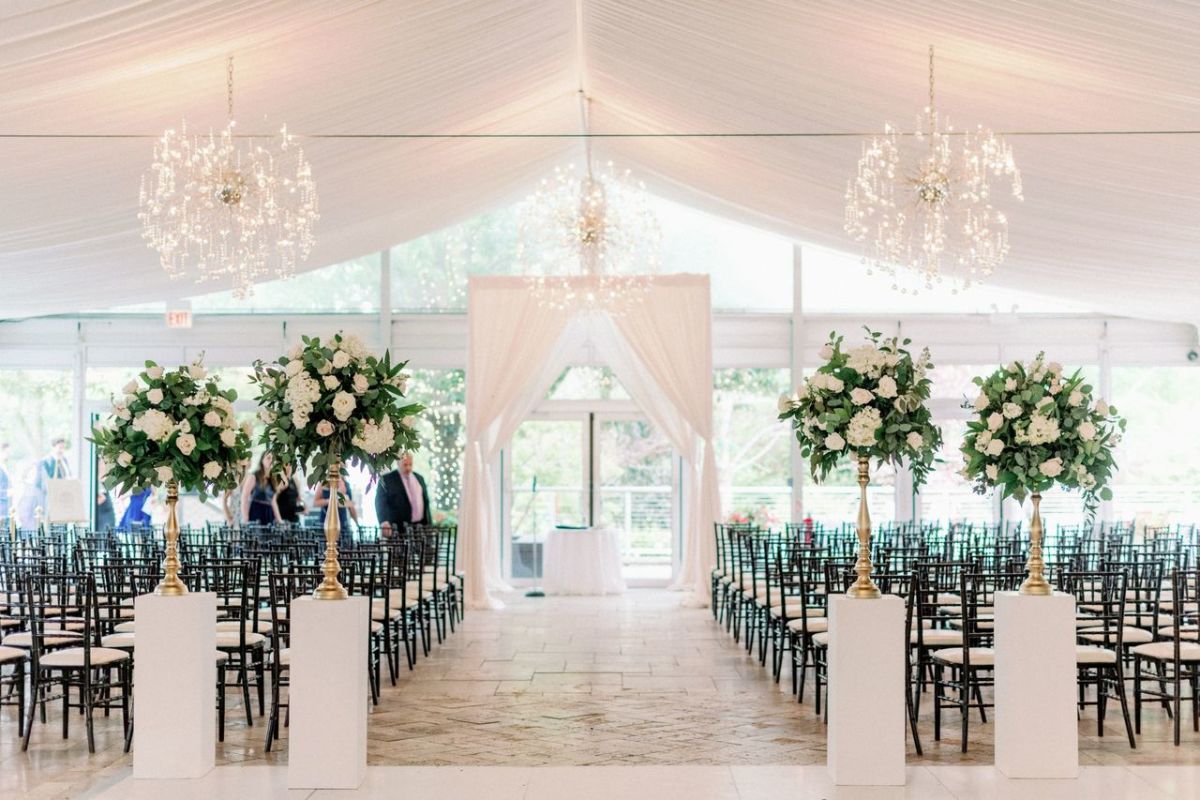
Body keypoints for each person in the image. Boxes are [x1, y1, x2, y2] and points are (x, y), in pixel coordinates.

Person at [375, 453, 431, 537]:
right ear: (398, 463)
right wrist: (384, 521)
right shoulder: (386, 480)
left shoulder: (419, 478)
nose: (408, 468)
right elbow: (380, 503)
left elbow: (425, 501)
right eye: (405, 465)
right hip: (397, 528)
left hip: (419, 527)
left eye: (410, 464)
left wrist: (429, 524)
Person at [240, 453, 281, 526]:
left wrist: (280, 520)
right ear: (262, 460)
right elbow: (244, 497)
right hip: (256, 511)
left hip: (269, 513)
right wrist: (245, 518)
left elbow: (273, 502)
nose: (271, 460)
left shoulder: (273, 479)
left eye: (273, 459)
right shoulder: (253, 476)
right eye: (268, 458)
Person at [0, 443, 10, 526]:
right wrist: (6, 492)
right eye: (7, 453)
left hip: (7, 506)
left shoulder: (5, 467)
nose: (8, 455)